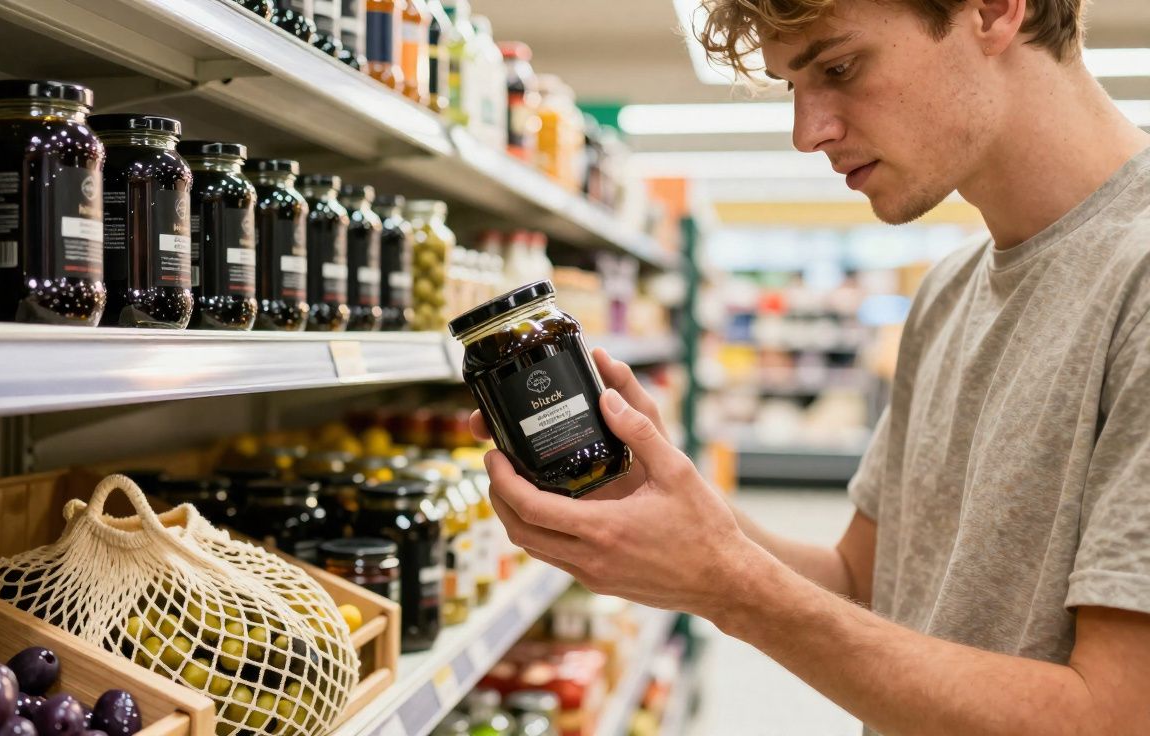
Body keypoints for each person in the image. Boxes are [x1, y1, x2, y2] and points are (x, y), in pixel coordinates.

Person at [473, 0, 1150, 732]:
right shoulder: (948, 294)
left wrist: (732, 587)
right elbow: (864, 583)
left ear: (992, 11)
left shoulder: (1136, 283)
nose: (807, 133)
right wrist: (677, 508)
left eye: (839, 67)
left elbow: (1113, 715)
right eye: (794, 86)